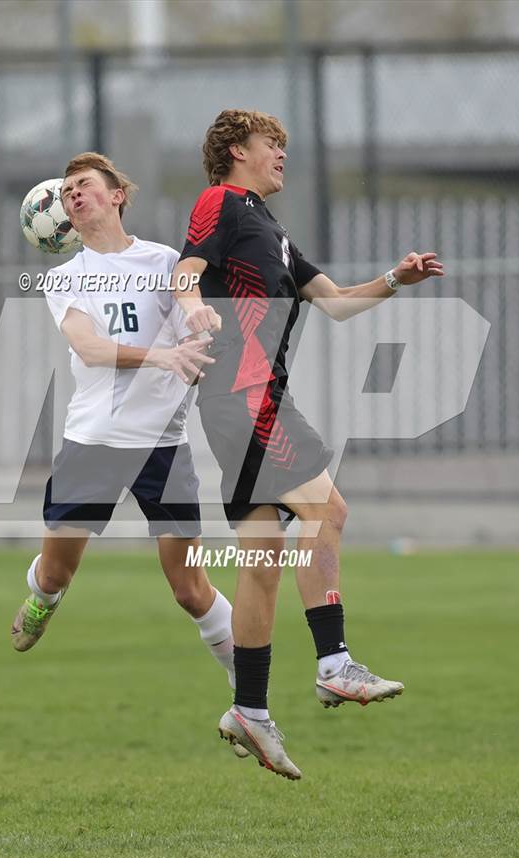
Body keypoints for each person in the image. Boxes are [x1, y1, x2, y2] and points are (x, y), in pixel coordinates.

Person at [172, 109, 445, 780]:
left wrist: (394, 279)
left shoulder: (276, 234)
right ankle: (334, 664)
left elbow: (340, 302)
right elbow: (185, 270)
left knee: (262, 557)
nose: (282, 156)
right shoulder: (222, 202)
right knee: (330, 509)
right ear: (237, 151)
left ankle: (250, 709)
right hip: (245, 394)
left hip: (251, 398)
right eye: (273, 145)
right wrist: (193, 309)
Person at [10, 152, 237, 697]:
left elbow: (190, 306)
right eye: (66, 193)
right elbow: (88, 348)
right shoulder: (66, 278)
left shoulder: (165, 262)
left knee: (188, 588)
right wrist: (163, 358)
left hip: (164, 445)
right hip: (94, 442)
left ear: (117, 196)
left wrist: (200, 323)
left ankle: (247, 680)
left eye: (84, 185)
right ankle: (41, 598)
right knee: (56, 576)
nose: (73, 195)